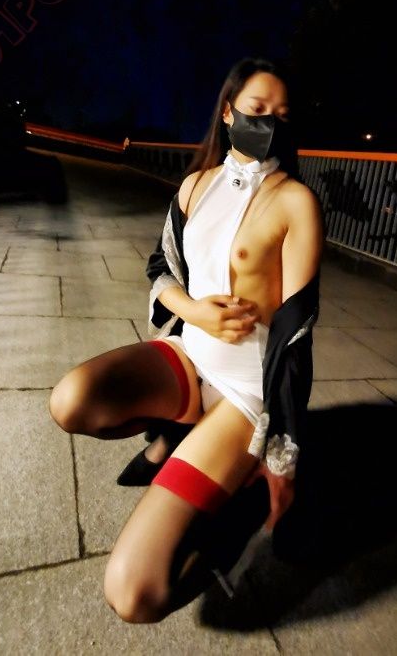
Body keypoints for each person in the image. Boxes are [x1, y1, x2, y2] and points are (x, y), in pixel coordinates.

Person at [48, 56, 325, 623]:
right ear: (228, 113)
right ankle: (176, 432)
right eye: (257, 109)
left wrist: (283, 457)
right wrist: (195, 311)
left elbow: (296, 335)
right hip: (189, 357)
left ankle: (238, 486)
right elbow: (162, 267)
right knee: (71, 400)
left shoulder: (296, 201)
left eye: (282, 115)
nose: (270, 123)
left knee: (134, 593)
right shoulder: (195, 185)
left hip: (245, 393)